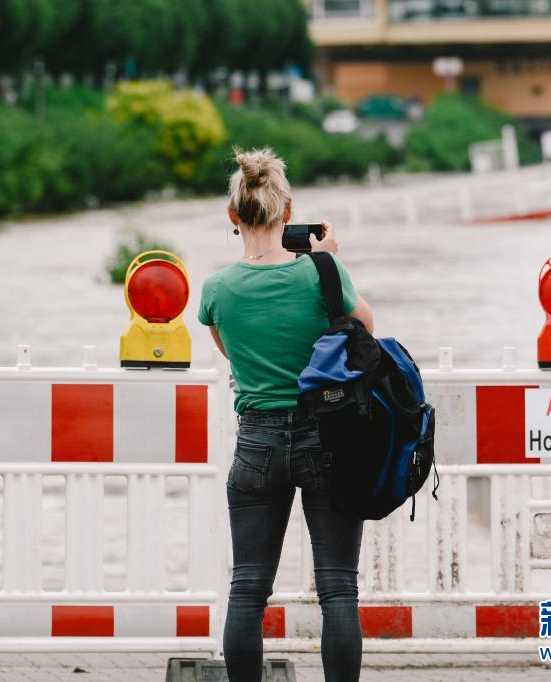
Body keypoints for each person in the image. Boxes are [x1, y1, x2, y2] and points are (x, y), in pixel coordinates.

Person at [198, 148, 374, 682]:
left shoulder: (217, 290)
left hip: (257, 443)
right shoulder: (322, 272)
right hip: (326, 435)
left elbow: (231, 354)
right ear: (288, 212)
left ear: (233, 214)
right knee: (338, 588)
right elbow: (364, 331)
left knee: (248, 588)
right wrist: (328, 261)